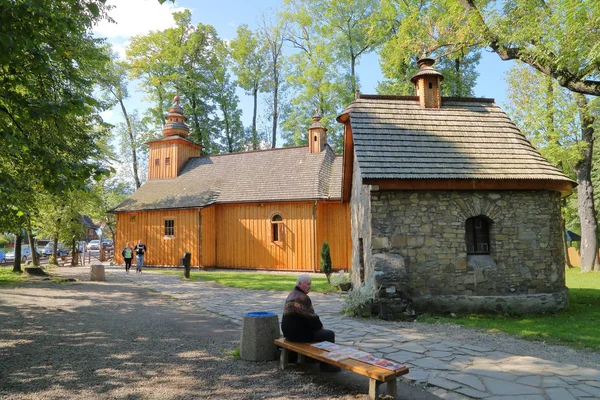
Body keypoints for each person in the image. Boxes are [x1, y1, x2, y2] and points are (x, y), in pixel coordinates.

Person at [281, 274, 340, 372]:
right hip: (297, 335)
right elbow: (312, 318)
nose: (310, 286)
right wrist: (320, 326)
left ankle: (311, 359)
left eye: (310, 284)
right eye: (308, 284)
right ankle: (327, 365)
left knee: (319, 333)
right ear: (300, 284)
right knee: (329, 334)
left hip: (287, 333)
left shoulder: (292, 294)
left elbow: (306, 317)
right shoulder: (302, 298)